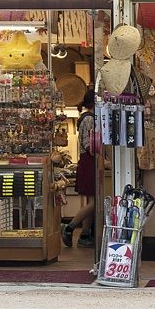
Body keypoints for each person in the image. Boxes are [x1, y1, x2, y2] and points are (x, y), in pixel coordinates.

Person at [63, 88, 97, 248]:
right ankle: (69, 227)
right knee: (95, 201)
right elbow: (89, 145)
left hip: (87, 161)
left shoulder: (86, 117)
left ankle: (84, 235)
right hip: (89, 161)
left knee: (91, 200)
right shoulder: (90, 119)